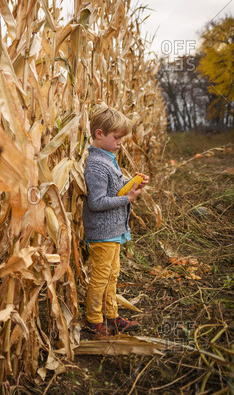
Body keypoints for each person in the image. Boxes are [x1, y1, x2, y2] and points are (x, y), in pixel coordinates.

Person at [82, 107, 149, 336]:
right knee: (101, 278)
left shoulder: (108, 159)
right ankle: (93, 320)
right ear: (99, 134)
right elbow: (97, 202)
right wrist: (127, 198)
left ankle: (111, 316)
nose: (120, 142)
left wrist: (132, 184)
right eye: (117, 137)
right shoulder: (97, 164)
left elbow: (114, 191)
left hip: (113, 230)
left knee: (112, 275)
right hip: (102, 232)